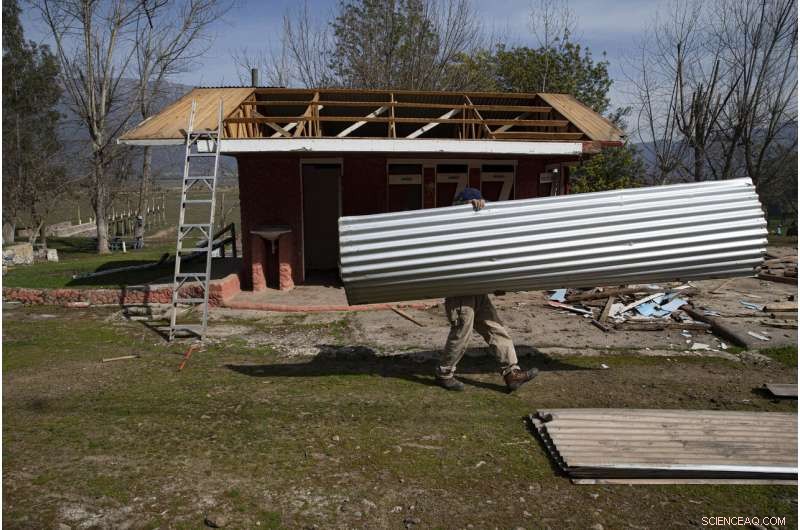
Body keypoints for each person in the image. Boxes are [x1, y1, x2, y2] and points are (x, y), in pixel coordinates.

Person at [436, 188, 539, 392]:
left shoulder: (480, 227)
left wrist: (497, 282)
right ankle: (444, 373)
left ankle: (512, 373)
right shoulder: (450, 223)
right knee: (461, 333)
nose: (479, 206)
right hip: (460, 290)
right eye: (475, 203)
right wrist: (465, 209)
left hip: (479, 289)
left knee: (495, 329)